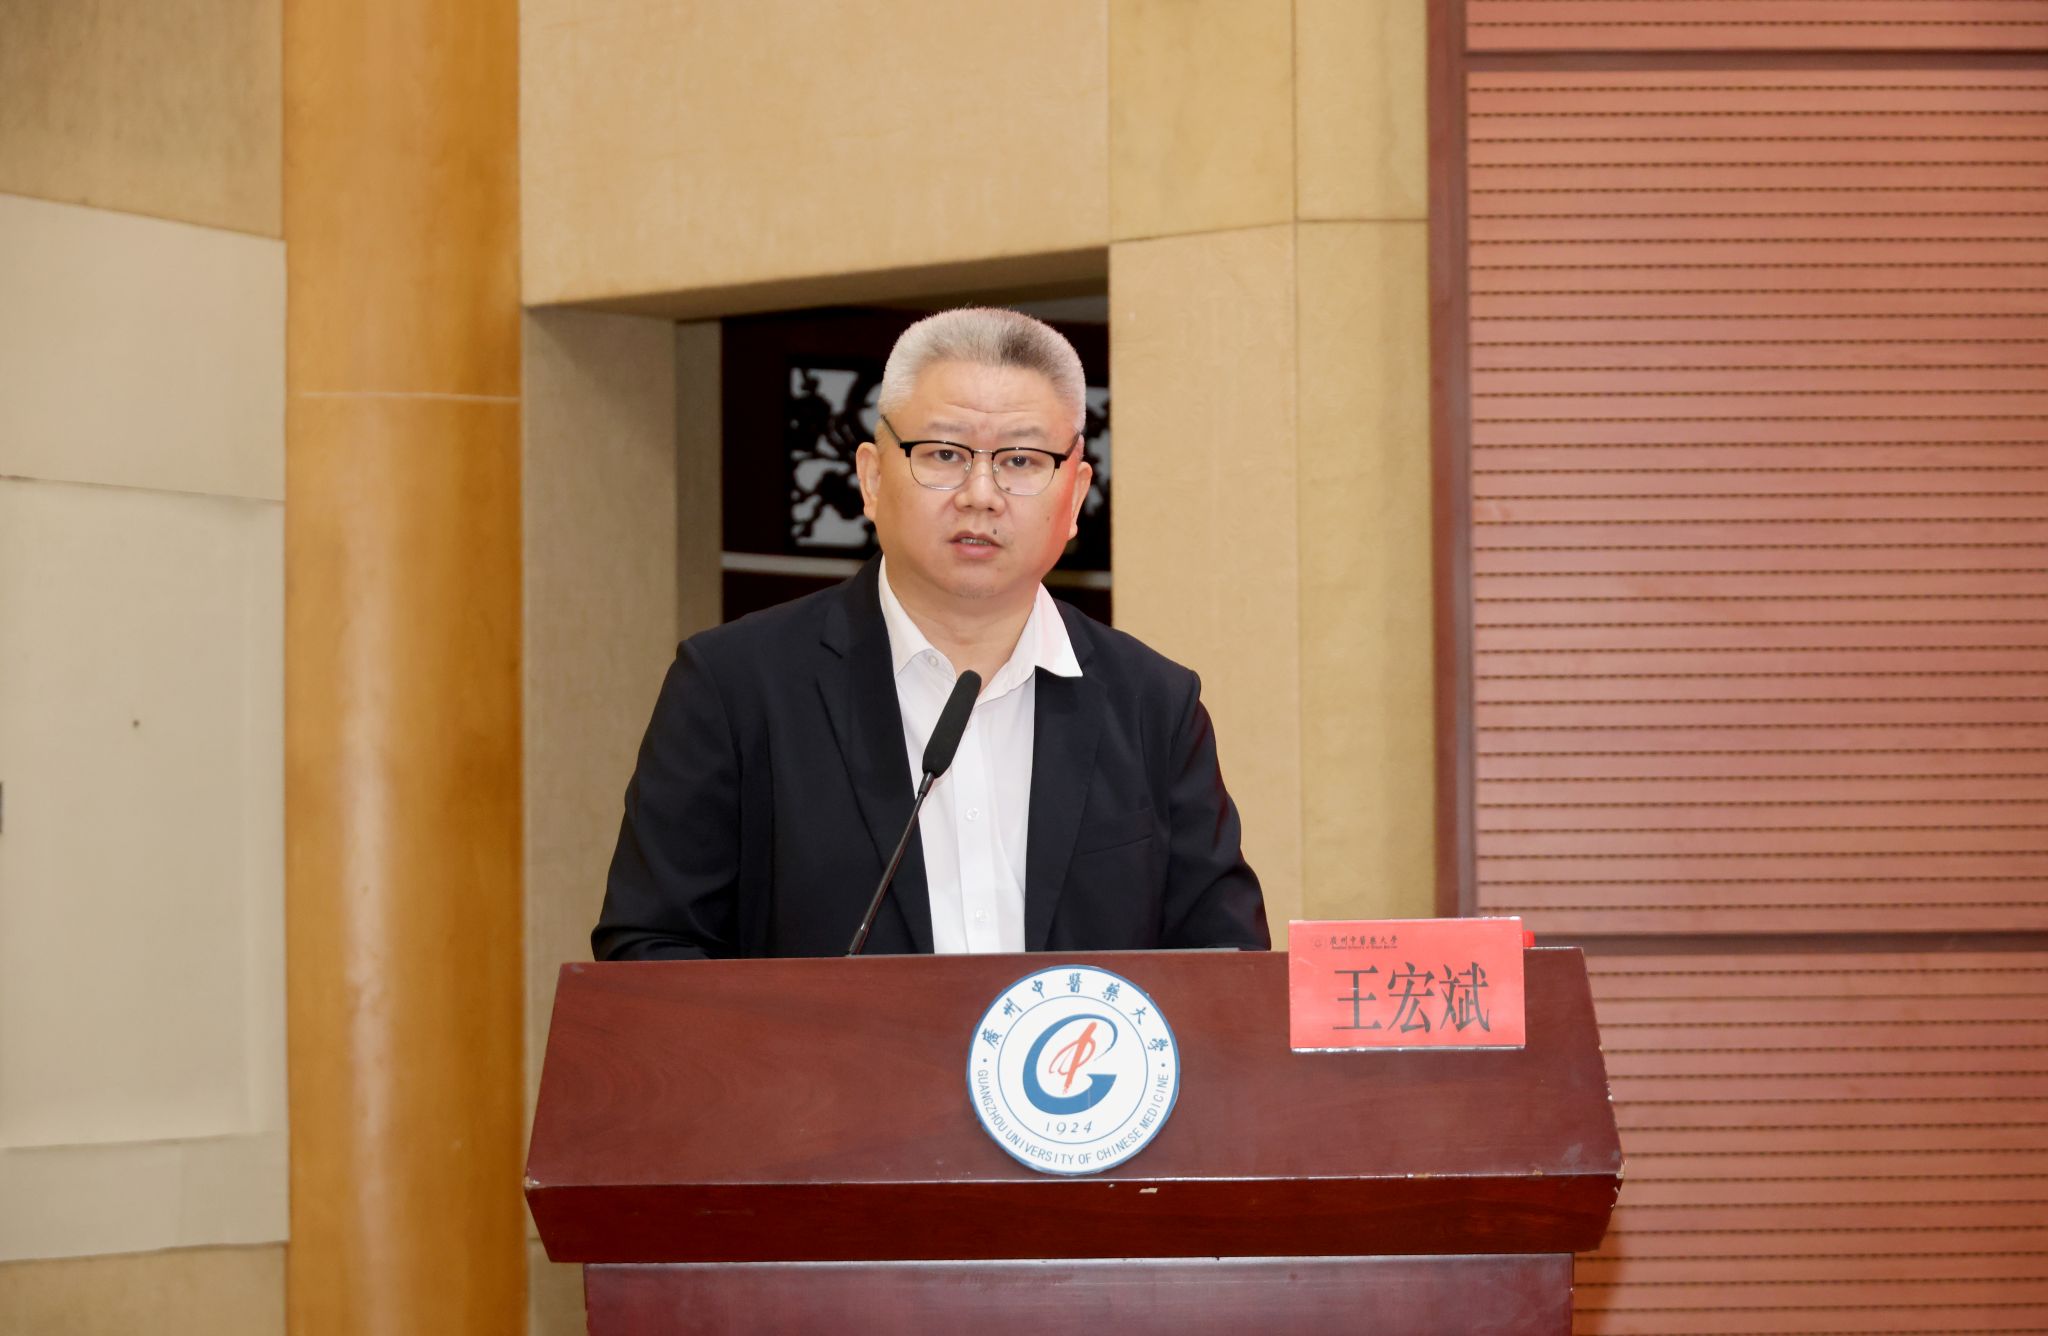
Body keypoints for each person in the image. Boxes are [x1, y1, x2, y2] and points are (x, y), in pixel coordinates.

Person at [593, 307, 1267, 960]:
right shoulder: (735, 687)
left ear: (1075, 495)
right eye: (945, 453)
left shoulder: (1154, 704)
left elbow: (1226, 962)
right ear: (871, 477)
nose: (981, 494)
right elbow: (652, 949)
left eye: (1022, 460)